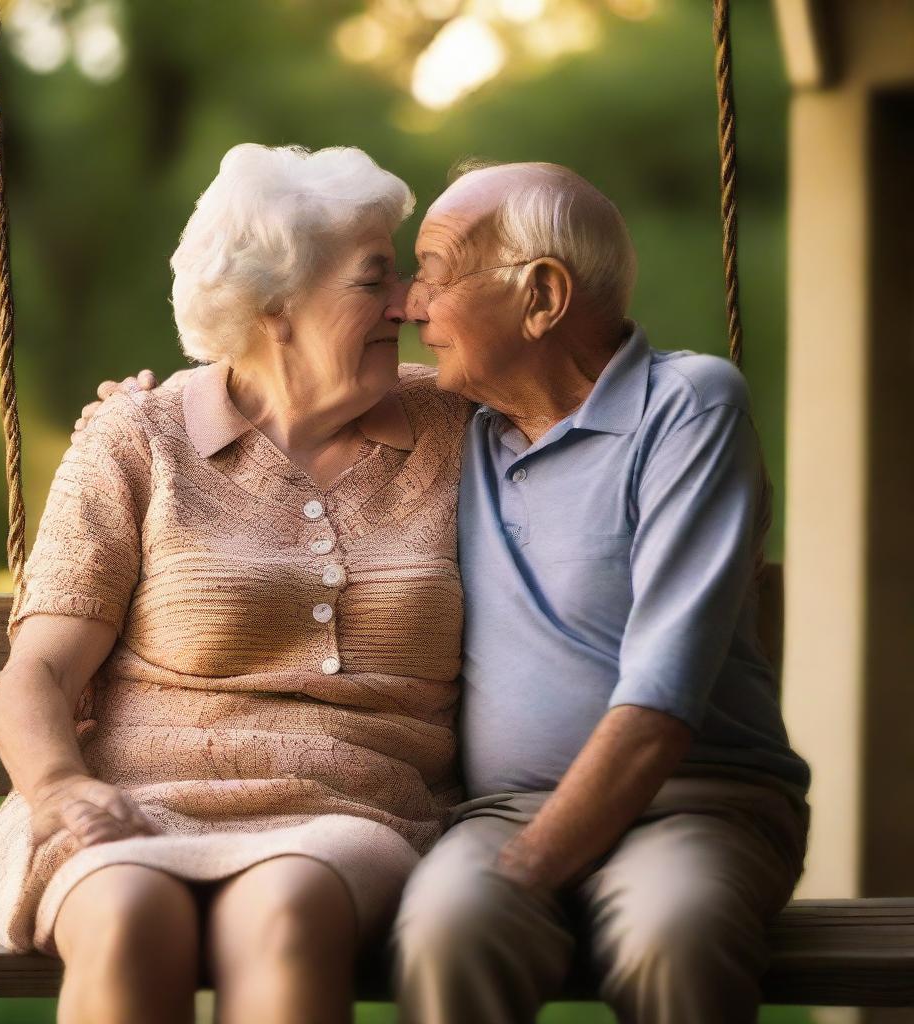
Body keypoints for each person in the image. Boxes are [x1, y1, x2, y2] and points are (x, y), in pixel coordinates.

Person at [82, 157, 812, 1024]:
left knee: (673, 931)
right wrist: (138, 413)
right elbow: (281, 395)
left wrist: (527, 871)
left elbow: (660, 700)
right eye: (398, 276)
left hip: (691, 799)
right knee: (446, 929)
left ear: (541, 299)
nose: (412, 304)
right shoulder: (462, 424)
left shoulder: (684, 409)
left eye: (431, 272)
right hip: (500, 811)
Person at [0, 143, 471, 1024]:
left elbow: (591, 409)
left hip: (350, 812)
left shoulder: (459, 426)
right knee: (127, 915)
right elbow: (37, 674)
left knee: (287, 909)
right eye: (374, 280)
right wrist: (59, 789)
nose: (409, 302)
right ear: (274, 306)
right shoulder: (140, 436)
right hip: (120, 802)